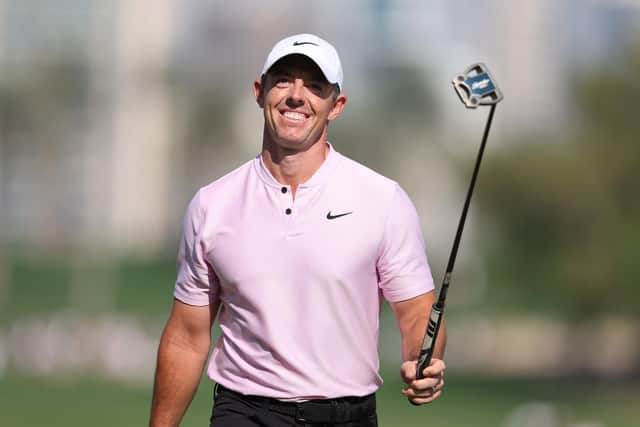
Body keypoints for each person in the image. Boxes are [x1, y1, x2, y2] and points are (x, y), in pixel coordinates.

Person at [149, 33, 447, 427]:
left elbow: (416, 314)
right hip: (244, 411)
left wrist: (421, 362)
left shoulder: (383, 199)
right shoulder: (212, 205)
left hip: (347, 415)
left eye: (314, 86)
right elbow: (187, 337)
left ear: (335, 106)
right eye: (284, 80)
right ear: (260, 92)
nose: (296, 95)